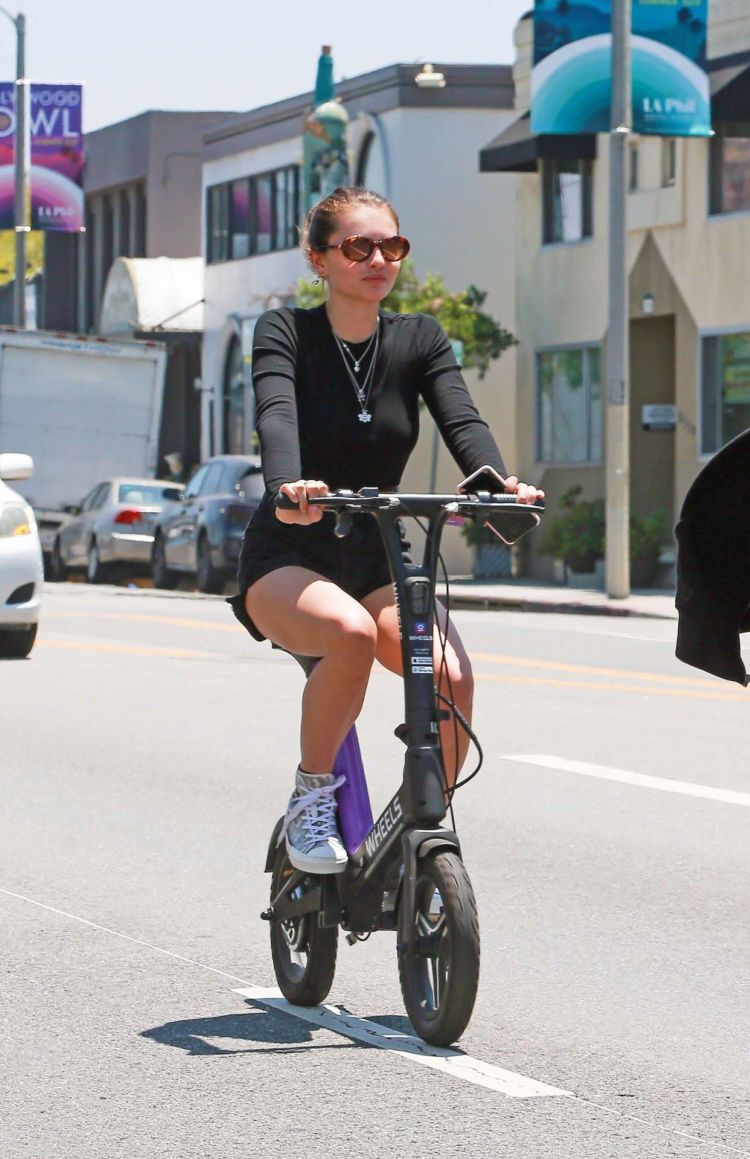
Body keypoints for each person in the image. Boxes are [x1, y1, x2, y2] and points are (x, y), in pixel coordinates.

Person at [229, 186, 544, 875]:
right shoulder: (285, 333)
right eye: (358, 246)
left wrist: (495, 482)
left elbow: (462, 420)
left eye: (391, 246)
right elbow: (275, 414)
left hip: (380, 552)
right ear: (320, 258)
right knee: (348, 635)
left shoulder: (420, 338)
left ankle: (414, 821)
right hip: (292, 548)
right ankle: (311, 799)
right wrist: (289, 486)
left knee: (452, 678)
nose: (378, 258)